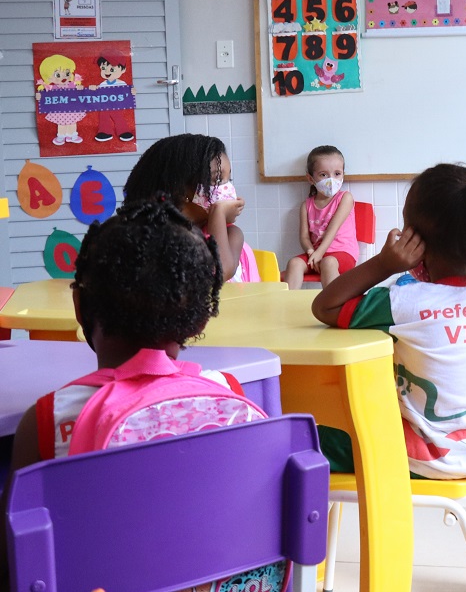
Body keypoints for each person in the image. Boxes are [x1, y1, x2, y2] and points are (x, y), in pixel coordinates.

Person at [1, 199, 282, 592]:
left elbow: (15, 563)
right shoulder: (228, 392)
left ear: (79, 307)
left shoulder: (48, 420)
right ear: (201, 317)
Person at [312, 163, 466, 591]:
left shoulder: (405, 302)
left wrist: (383, 263)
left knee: (305, 434)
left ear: (416, 242)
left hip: (417, 457)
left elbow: (325, 307)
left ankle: (304, 560)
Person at [123, 133, 258, 282]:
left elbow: (221, 271)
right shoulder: (156, 239)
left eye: (229, 179)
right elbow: (215, 272)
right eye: (218, 179)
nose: (228, 188)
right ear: (181, 191)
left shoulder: (231, 233)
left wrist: (218, 216)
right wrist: (218, 211)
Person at [284, 145, 359, 288]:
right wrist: (311, 252)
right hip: (317, 253)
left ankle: (333, 302)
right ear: (311, 178)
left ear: (343, 174)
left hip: (343, 253)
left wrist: (319, 253)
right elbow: (304, 237)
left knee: (328, 262)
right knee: (294, 263)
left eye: (337, 173)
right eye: (323, 175)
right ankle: (288, 301)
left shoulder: (345, 198)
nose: (331, 179)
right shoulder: (306, 206)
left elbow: (332, 230)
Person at [35, 53, 87, 146]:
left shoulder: (72, 85)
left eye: (67, 73)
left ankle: (72, 135)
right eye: (58, 75)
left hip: (72, 108)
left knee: (72, 122)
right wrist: (40, 96)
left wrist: (80, 88)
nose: (63, 77)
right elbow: (45, 96)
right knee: (61, 124)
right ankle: (61, 136)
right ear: (49, 77)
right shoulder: (52, 88)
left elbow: (80, 92)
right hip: (59, 109)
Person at [88, 51, 136, 142]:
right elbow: (98, 93)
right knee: (103, 115)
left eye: (112, 69)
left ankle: (123, 131)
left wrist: (132, 92)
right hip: (105, 105)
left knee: (118, 116)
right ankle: (104, 131)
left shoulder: (122, 83)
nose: (107, 72)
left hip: (117, 105)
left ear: (123, 70)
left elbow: (127, 93)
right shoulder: (103, 84)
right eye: (103, 68)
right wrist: (93, 89)